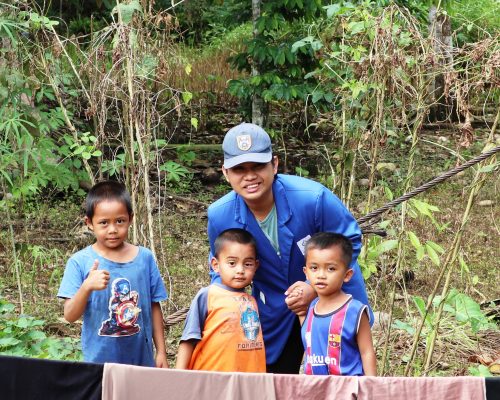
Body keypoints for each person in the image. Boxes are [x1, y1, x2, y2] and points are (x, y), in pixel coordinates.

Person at [207, 122, 373, 373]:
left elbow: (349, 240)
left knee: (339, 378)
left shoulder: (312, 198)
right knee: (274, 380)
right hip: (273, 308)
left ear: (274, 164)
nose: (249, 176)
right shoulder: (220, 215)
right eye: (239, 169)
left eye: (258, 166)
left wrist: (313, 288)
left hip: (332, 303)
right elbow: (221, 271)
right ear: (225, 172)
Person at [57, 181, 168, 367]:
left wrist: (162, 352)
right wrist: (87, 286)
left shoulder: (144, 259)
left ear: (130, 219)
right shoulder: (80, 262)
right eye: (103, 223)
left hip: (141, 361)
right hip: (99, 363)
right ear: (89, 223)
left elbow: (154, 306)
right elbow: (69, 315)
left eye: (119, 221)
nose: (112, 229)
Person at [176, 229, 266, 372]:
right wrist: (178, 375)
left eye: (247, 264)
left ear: (256, 266)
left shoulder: (252, 301)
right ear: (216, 265)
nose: (240, 270)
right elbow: (189, 338)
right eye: (232, 263)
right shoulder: (208, 295)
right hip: (212, 381)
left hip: (248, 383)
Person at [298, 232, 376, 375]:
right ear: (306, 272)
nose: (321, 275)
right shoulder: (309, 309)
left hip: (348, 390)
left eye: (331, 269)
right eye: (314, 268)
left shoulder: (355, 311)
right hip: (314, 391)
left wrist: (371, 387)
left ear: (347, 275)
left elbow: (367, 352)